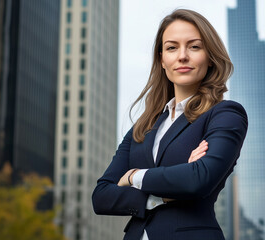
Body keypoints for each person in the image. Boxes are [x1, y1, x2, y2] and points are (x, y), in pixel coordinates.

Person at [92, 9, 248, 240]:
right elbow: (101, 196)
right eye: (172, 47)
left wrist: (134, 176)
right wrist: (158, 197)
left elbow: (199, 179)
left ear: (210, 57)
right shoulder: (143, 128)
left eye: (194, 46)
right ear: (162, 60)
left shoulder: (225, 115)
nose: (182, 56)